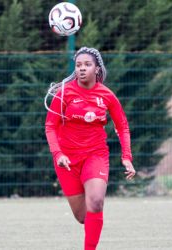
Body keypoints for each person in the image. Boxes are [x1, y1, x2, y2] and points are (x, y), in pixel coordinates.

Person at [44, 47, 136, 250]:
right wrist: (58, 154)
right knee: (82, 217)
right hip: (67, 160)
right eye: (78, 65)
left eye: (87, 65)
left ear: (97, 69)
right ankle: (95, 225)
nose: (82, 69)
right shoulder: (64, 93)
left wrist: (127, 157)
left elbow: (122, 126)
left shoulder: (107, 95)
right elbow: (50, 126)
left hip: (95, 155)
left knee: (95, 202)